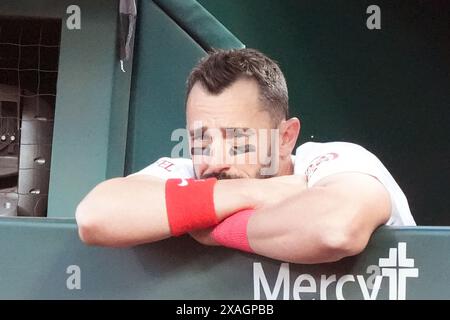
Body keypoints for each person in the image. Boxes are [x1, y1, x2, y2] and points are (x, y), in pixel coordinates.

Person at [76, 48, 415, 264]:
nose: (216, 158)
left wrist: (212, 227)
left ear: (285, 138)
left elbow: (334, 230)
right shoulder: (197, 174)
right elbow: (96, 215)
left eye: (238, 141)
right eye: (200, 140)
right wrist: (258, 193)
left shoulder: (332, 160)